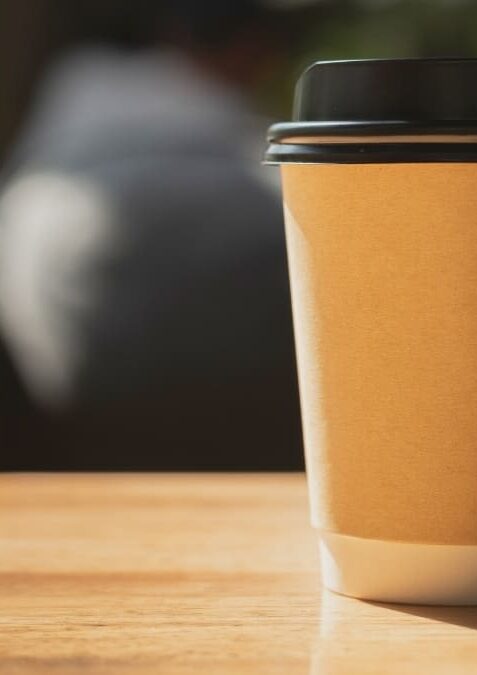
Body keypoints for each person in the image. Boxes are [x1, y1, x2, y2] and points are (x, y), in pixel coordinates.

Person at [0, 1, 310, 469]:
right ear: (251, 49)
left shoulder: (67, 111)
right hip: (232, 417)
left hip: (67, 401)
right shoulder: (236, 146)